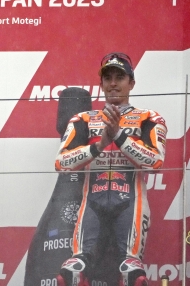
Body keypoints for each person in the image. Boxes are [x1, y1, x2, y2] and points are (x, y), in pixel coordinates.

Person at [55, 53, 167, 286]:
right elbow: (62, 163)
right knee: (71, 272)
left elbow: (155, 162)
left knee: (132, 273)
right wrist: (99, 145)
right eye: (108, 78)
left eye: (120, 77)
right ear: (101, 84)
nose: (113, 83)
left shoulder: (148, 117)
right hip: (91, 202)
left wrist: (119, 136)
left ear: (131, 83)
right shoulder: (84, 119)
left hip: (131, 201)